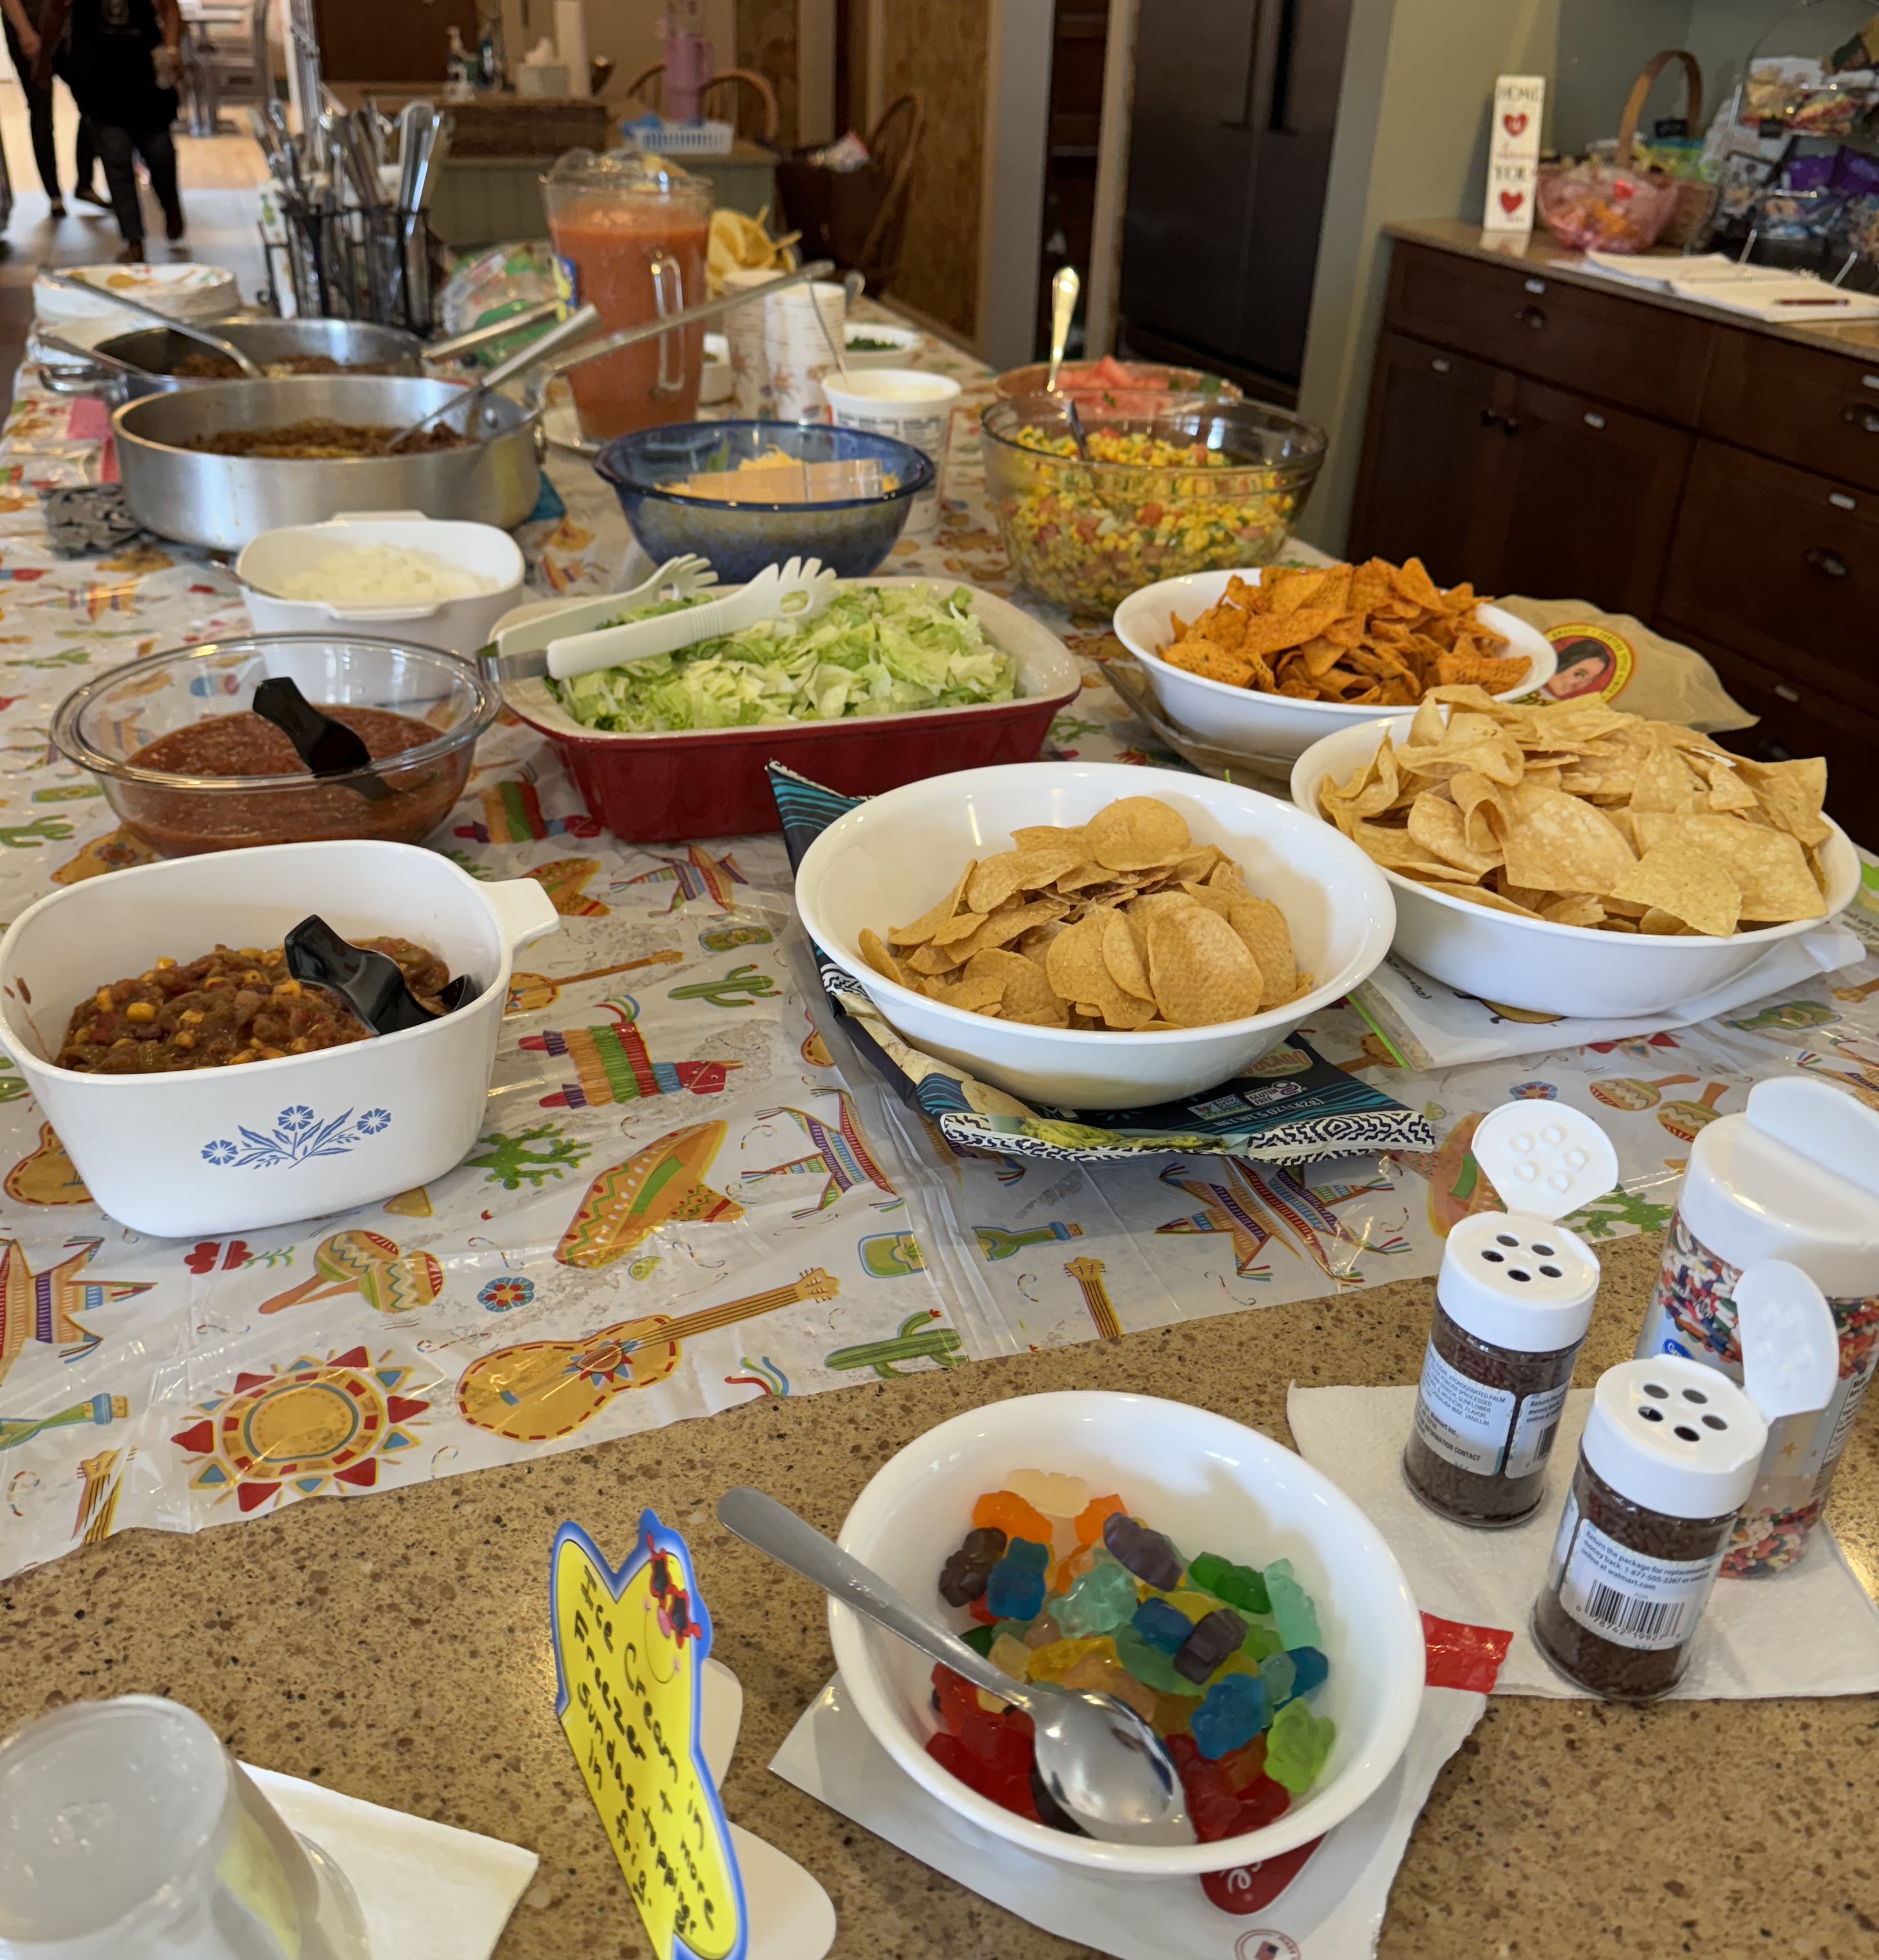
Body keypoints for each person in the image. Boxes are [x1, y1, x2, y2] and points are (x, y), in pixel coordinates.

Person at [33, 0, 182, 260]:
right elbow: (56, 10)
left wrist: (171, 50)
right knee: (116, 157)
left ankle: (170, 205)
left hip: (144, 73)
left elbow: (169, 7)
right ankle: (133, 240)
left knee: (160, 151)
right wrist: (44, 58)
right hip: (98, 76)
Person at [1, 0, 104, 215]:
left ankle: (84, 182)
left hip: (65, 22)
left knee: (92, 101)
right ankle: (54, 195)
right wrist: (24, 31)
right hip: (30, 21)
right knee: (40, 110)